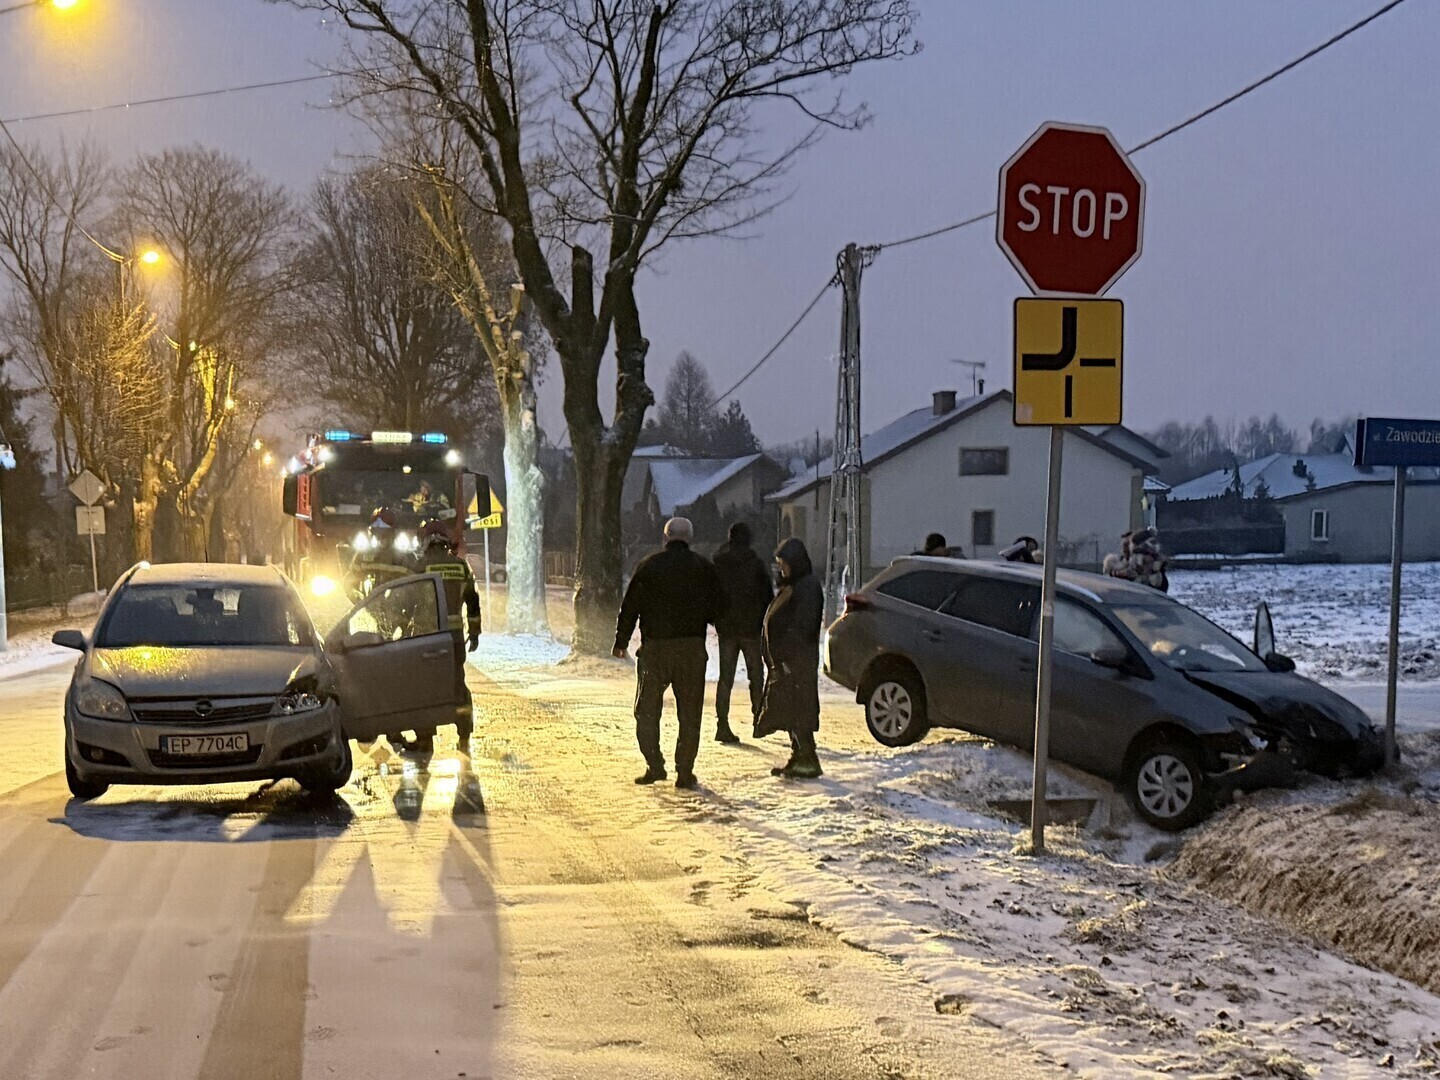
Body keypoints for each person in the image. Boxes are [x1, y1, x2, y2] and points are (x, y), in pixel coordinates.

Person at [613, 517, 725, 790]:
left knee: (647, 710)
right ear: (690, 538)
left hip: (655, 649)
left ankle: (654, 764)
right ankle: (684, 771)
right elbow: (720, 608)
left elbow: (630, 606)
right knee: (689, 713)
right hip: (691, 649)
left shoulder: (648, 566)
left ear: (666, 538)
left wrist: (621, 640)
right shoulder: (703, 568)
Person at [755, 538, 825, 779]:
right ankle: (800, 756)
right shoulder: (795, 585)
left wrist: (785, 655)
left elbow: (802, 626)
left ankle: (807, 759)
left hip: (796, 661)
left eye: (783, 563)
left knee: (798, 707)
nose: (781, 567)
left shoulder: (806, 587)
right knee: (791, 708)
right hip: (788, 661)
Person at [419, 516, 482, 748]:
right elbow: (473, 602)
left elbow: (407, 602)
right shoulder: (460, 566)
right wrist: (474, 633)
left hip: (426, 639)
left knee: (426, 687)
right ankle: (464, 733)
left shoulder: (419, 566)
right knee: (457, 683)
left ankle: (426, 736)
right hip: (454, 638)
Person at [711, 521, 773, 744]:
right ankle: (758, 719)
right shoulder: (756, 564)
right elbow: (767, 597)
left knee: (725, 678)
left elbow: (712, 594)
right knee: (756, 676)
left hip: (727, 629)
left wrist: (717, 619)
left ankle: (722, 723)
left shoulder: (719, 563)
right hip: (751, 628)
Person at [345, 507, 413, 600]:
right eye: (376, 523)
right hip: (370, 601)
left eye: (384, 524)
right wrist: (358, 598)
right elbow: (352, 576)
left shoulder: (400, 552)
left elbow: (413, 577)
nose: (379, 527)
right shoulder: (366, 550)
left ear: (393, 528)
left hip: (397, 600)